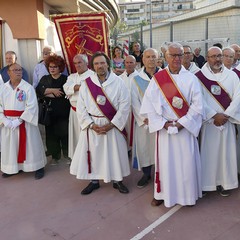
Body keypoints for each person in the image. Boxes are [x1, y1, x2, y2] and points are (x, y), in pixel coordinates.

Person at [140, 42, 203, 207]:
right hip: (165, 130)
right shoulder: (158, 79)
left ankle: (187, 196)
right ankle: (162, 194)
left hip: (185, 129)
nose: (176, 58)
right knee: (165, 164)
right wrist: (163, 124)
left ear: (184, 56)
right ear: (166, 57)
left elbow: (198, 106)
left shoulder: (191, 79)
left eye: (180, 55)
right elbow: (149, 106)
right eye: (173, 55)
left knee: (186, 163)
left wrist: (182, 124)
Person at [70, 52, 130, 195]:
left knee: (114, 153)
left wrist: (112, 124)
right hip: (93, 125)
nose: (99, 66)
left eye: (102, 63)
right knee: (94, 154)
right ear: (93, 66)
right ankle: (94, 181)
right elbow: (81, 106)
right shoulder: (87, 83)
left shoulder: (119, 82)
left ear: (107, 63)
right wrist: (91, 125)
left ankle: (117, 181)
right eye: (96, 64)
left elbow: (125, 105)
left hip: (112, 124)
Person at [196, 46, 240, 197]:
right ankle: (207, 183)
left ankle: (225, 182)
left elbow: (238, 97)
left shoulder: (232, 76)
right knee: (208, 152)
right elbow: (198, 99)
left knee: (226, 153)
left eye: (219, 56)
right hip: (209, 123)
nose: (217, 59)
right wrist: (214, 115)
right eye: (213, 56)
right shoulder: (199, 76)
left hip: (226, 122)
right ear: (207, 58)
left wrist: (226, 115)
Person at [0, 63, 46, 179]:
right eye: (15, 70)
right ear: (8, 72)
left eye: (20, 70)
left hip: (24, 122)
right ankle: (12, 168)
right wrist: (5, 120)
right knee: (11, 146)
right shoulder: (2, 88)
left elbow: (32, 107)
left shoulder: (28, 88)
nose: (18, 72)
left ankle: (38, 167)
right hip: (8, 123)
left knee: (31, 145)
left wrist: (18, 121)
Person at [131, 48, 160, 188]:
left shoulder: (165, 75)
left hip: (161, 121)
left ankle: (161, 174)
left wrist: (159, 117)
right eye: (148, 57)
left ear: (158, 58)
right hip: (144, 122)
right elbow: (134, 101)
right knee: (144, 148)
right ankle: (146, 174)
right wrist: (144, 118)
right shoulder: (136, 79)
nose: (151, 59)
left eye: (153, 56)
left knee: (160, 149)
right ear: (143, 59)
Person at [36, 55, 70, 165]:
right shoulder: (44, 78)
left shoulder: (66, 79)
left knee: (65, 134)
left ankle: (67, 155)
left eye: (55, 66)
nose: (52, 69)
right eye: (50, 66)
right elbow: (39, 91)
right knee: (51, 135)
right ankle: (55, 157)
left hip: (63, 111)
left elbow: (63, 93)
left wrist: (47, 92)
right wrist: (52, 90)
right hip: (49, 112)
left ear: (60, 67)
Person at [63, 54, 94, 160]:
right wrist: (81, 87)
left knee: (87, 137)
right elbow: (66, 88)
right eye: (75, 63)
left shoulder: (93, 75)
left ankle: (89, 158)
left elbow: (93, 91)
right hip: (74, 112)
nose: (77, 65)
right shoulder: (72, 77)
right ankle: (77, 159)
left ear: (86, 63)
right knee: (76, 136)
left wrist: (75, 88)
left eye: (79, 62)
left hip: (88, 112)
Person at [120, 55, 138, 151]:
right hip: (123, 110)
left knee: (135, 133)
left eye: (131, 62)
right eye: (127, 62)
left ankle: (134, 150)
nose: (129, 64)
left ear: (135, 63)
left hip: (135, 111)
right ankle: (125, 150)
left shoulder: (140, 77)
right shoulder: (119, 78)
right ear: (124, 64)